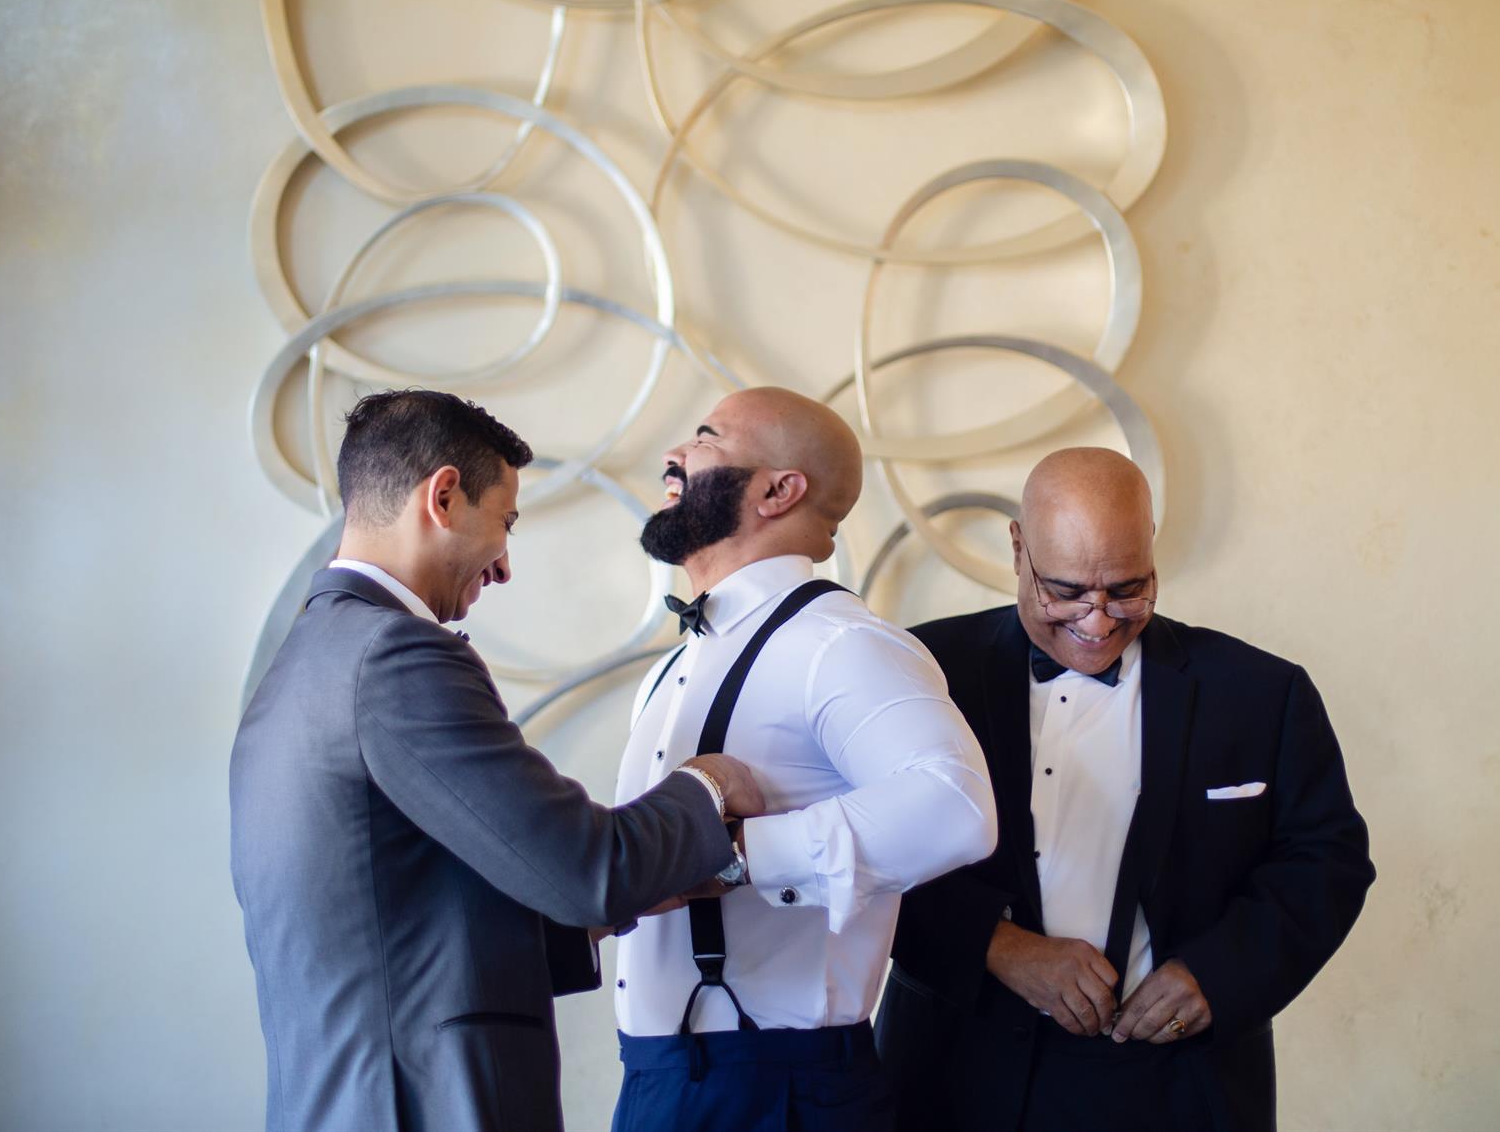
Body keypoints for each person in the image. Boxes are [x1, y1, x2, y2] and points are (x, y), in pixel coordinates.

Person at [230, 390, 763, 1132]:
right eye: (506, 523)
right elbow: (588, 870)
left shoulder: (300, 668)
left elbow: (387, 930)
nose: (505, 566)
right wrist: (707, 785)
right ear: (444, 496)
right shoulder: (395, 656)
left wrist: (626, 905)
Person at [876, 448, 1374, 1132]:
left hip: (1180, 1083)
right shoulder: (919, 673)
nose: (1098, 620)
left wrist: (1216, 974)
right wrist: (998, 945)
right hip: (956, 1070)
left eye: (1127, 589)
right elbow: (867, 854)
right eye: (1066, 592)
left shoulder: (1264, 692)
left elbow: (1327, 860)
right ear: (1018, 548)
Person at [607, 386, 999, 1132]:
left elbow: (956, 805)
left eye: (704, 438)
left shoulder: (840, 643)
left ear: (779, 490)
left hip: (777, 1090)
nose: (673, 455)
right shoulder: (671, 669)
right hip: (659, 1078)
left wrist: (736, 857)